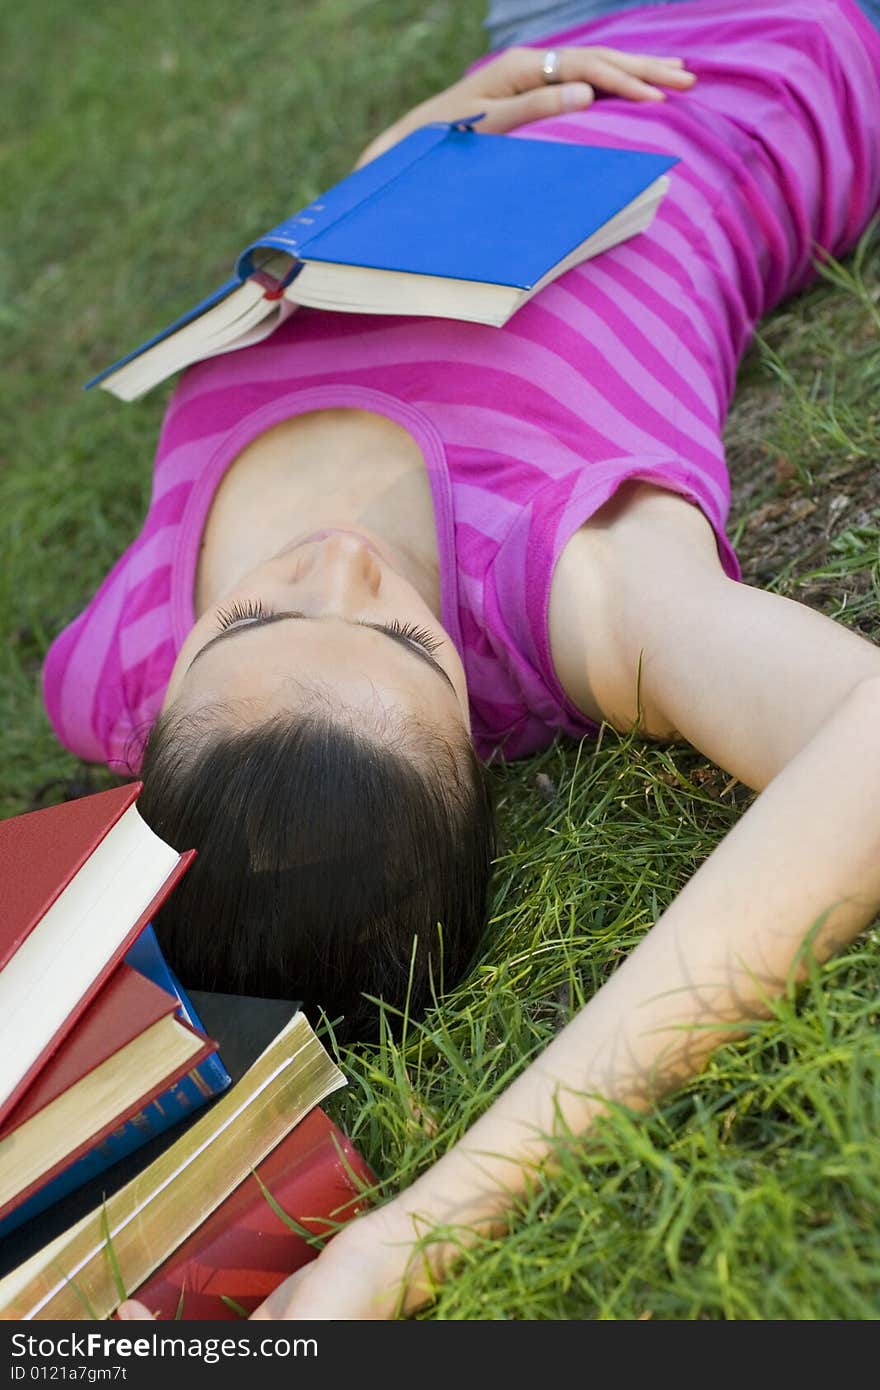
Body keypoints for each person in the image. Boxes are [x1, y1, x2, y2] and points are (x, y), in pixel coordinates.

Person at [45, 0, 880, 1319]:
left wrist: (461, 111)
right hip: (773, 35)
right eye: (396, 638)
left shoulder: (110, 665)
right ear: (476, 736)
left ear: (158, 713)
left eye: (252, 624)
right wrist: (412, 1232)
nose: (337, 562)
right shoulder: (567, 581)